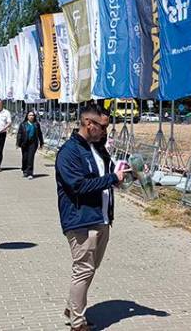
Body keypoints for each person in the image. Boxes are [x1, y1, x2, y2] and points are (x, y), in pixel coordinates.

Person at [55, 105, 124, 331]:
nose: (105, 131)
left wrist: (121, 172)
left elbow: (108, 173)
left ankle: (72, 307)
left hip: (102, 217)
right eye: (102, 126)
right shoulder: (69, 152)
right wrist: (111, 178)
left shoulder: (98, 148)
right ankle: (78, 323)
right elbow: (77, 186)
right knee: (83, 269)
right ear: (88, 123)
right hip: (81, 219)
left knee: (90, 269)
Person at [16, 110, 44, 179]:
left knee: (30, 158)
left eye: (32, 115)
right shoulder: (23, 124)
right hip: (24, 143)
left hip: (33, 143)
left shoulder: (36, 124)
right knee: (25, 158)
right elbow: (19, 134)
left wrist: (41, 143)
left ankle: (30, 173)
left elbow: (40, 134)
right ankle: (24, 170)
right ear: (27, 116)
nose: (31, 117)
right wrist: (18, 143)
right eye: (30, 115)